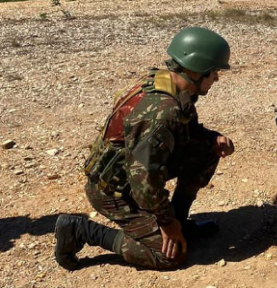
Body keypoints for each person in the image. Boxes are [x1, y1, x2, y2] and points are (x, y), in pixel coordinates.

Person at [54, 27, 235, 270]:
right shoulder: (162, 113)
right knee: (169, 257)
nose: (216, 78)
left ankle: (180, 221)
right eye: (213, 72)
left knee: (206, 149)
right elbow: (144, 183)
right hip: (114, 191)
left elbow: (185, 132)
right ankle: (81, 230)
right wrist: (167, 224)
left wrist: (211, 138)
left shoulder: (170, 84)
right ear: (196, 69)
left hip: (132, 173)